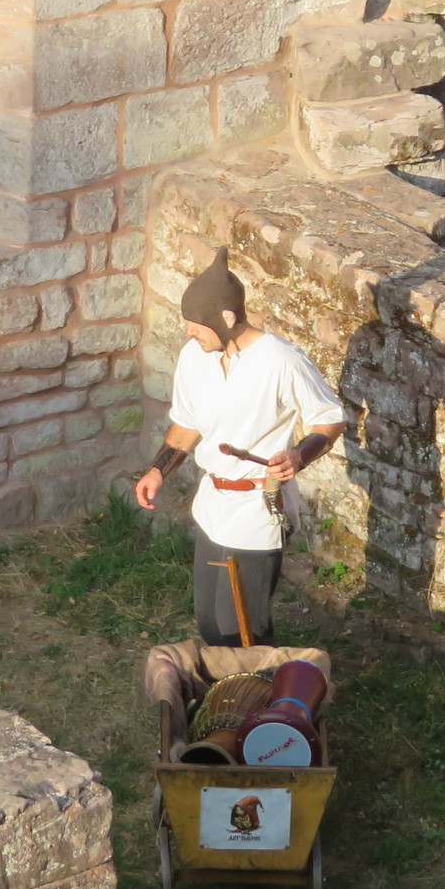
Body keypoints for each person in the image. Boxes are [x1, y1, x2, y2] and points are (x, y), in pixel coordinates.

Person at [132, 247, 347, 649]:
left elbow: (330, 418)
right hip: (212, 503)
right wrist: (157, 470)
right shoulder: (195, 357)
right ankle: (230, 686)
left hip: (257, 510)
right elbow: (187, 424)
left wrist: (299, 455)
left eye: (198, 324)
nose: (189, 332)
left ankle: (264, 686)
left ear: (227, 319)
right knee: (211, 623)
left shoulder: (281, 361)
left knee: (244, 630)